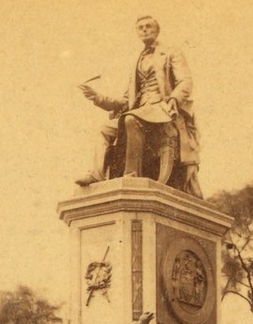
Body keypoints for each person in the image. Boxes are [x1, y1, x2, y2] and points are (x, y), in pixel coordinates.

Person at [75, 15, 202, 197]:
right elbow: (125, 101)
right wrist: (97, 97)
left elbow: (185, 81)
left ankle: (132, 175)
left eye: (148, 26)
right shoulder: (137, 61)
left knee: (130, 119)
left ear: (157, 30)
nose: (144, 30)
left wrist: (174, 98)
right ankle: (96, 173)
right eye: (140, 27)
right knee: (105, 129)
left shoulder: (171, 52)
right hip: (141, 109)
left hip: (161, 109)